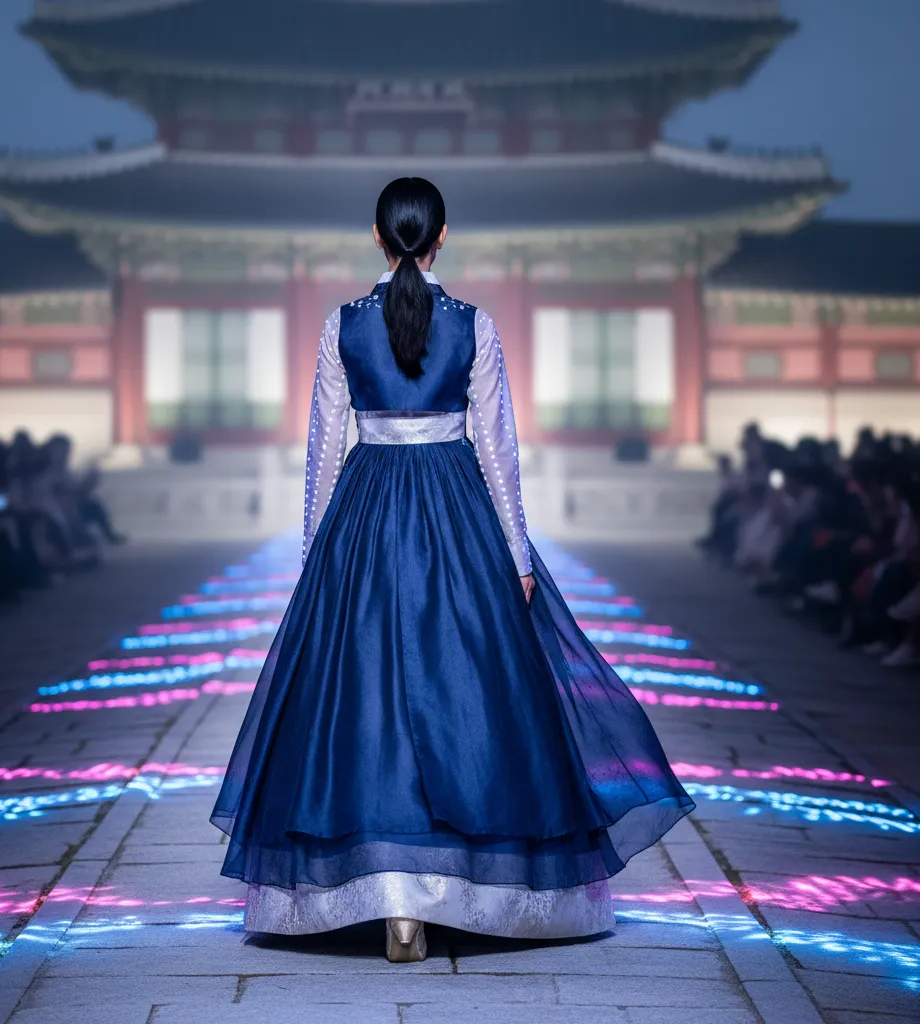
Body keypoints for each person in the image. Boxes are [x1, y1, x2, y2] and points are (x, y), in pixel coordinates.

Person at [211, 179, 693, 963]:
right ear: (443, 237)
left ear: (377, 236)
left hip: (365, 512)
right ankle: (462, 889)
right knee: (468, 692)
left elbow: (323, 451)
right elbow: (497, 448)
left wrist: (313, 558)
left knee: (365, 702)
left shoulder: (343, 325)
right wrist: (515, 554)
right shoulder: (475, 325)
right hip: (456, 509)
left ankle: (387, 903)